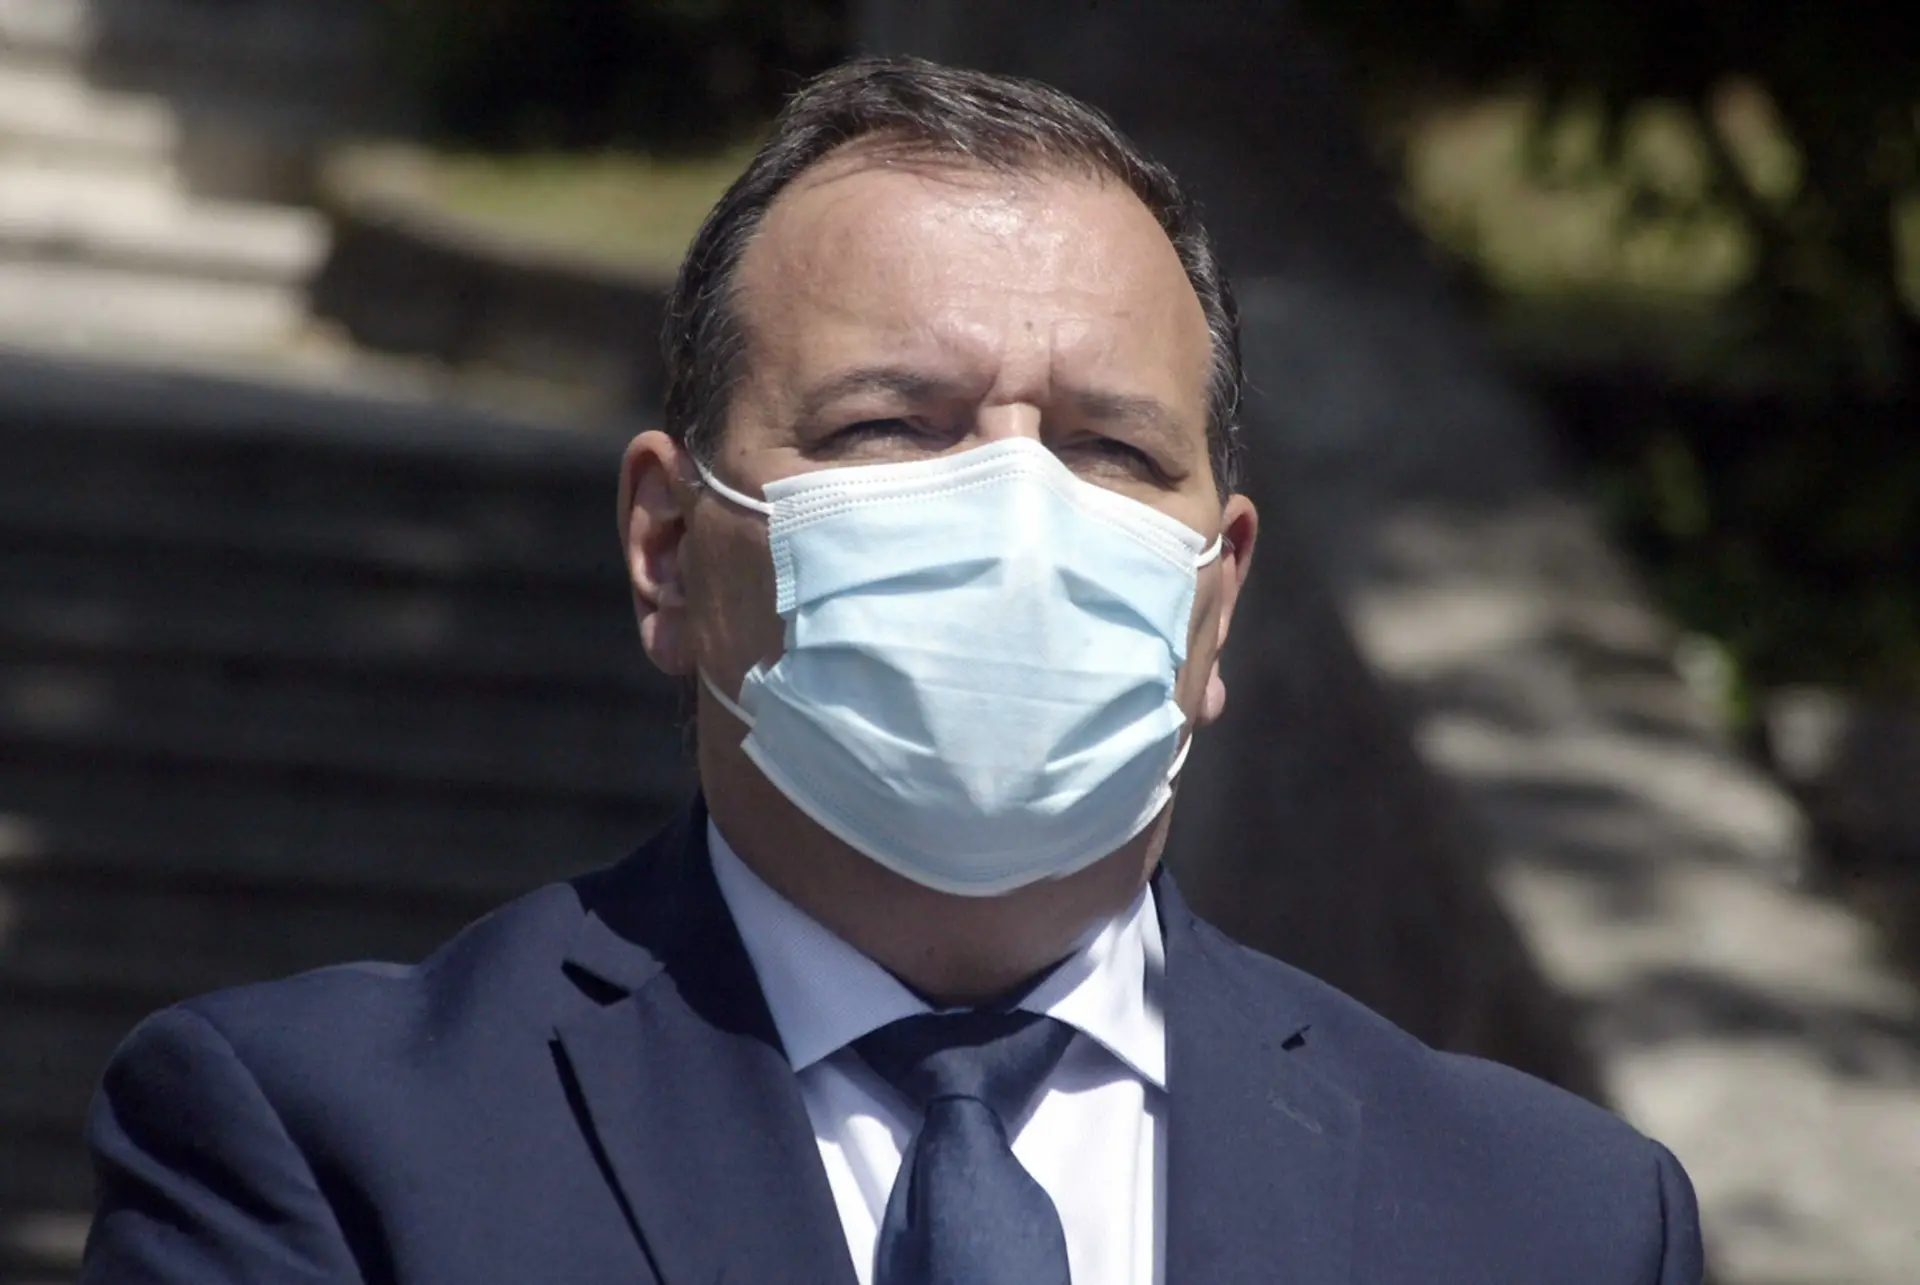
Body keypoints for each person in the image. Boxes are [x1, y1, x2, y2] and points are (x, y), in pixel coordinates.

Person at [81, 57, 1702, 1285]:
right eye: (888, 426)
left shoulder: (1553, 1224)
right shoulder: (326, 1153)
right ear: (668, 548)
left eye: (1111, 448)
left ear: (1218, 599)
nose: (1017, 517)